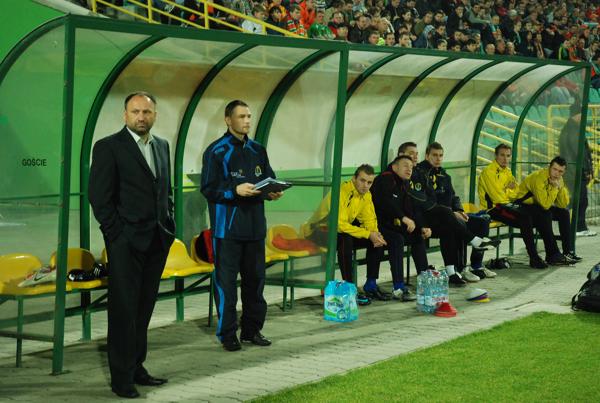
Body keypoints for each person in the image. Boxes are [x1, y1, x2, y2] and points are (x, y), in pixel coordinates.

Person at [89, 92, 175, 399]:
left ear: (155, 115)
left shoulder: (162, 146)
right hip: (125, 243)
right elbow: (99, 198)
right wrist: (117, 235)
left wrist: (169, 223)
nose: (141, 117)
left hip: (157, 239)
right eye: (135, 111)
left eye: (147, 112)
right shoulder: (109, 147)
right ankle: (121, 378)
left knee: (144, 308)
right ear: (125, 115)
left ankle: (137, 367)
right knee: (124, 311)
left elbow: (165, 190)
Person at [201, 100, 284, 352]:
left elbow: (268, 178)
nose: (247, 121)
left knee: (255, 283)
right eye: (241, 116)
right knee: (226, 286)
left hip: (255, 229)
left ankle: (252, 330)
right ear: (228, 120)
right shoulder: (216, 151)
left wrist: (272, 191)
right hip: (227, 232)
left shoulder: (258, 149)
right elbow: (208, 189)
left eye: (249, 116)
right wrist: (234, 191)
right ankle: (227, 334)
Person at [398, 142, 499, 286]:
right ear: (427, 156)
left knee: (481, 222)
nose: (438, 158)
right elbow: (425, 201)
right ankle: (462, 263)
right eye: (434, 155)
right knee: (451, 224)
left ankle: (473, 266)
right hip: (428, 218)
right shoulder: (418, 172)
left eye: (440, 155)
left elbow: (453, 196)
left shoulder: (444, 175)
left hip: (446, 215)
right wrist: (450, 212)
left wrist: (459, 210)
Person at [302, 164, 387, 305]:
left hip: (339, 231)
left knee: (376, 242)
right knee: (345, 240)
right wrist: (367, 234)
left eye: (369, 182)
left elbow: (369, 219)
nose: (365, 185)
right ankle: (350, 289)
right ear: (354, 178)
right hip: (317, 230)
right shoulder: (341, 191)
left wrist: (375, 234)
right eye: (362, 180)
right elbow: (339, 224)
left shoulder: (366, 195)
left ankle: (371, 284)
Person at [368, 155, 430, 301]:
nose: (409, 169)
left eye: (411, 167)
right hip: (375, 225)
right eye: (405, 165)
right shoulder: (385, 179)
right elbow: (384, 202)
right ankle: (398, 287)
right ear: (395, 167)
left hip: (390, 225)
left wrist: (421, 226)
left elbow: (410, 208)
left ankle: (425, 279)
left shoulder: (404, 183)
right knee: (397, 240)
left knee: (417, 236)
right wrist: (402, 217)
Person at [478, 144, 546, 268]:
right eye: (502, 155)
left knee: (540, 211)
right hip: (494, 208)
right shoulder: (488, 172)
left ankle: (552, 253)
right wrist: (509, 190)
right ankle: (534, 257)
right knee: (525, 218)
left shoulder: (507, 171)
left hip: (508, 204)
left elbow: (517, 191)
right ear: (496, 156)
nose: (505, 159)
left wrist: (507, 190)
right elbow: (498, 198)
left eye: (508, 156)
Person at [513, 157, 581, 265]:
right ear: (549, 167)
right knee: (546, 214)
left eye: (560, 171)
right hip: (523, 205)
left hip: (538, 205)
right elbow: (545, 205)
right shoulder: (539, 178)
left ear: (564, 172)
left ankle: (567, 252)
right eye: (555, 169)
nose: (557, 173)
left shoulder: (559, 179)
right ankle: (552, 255)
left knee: (564, 213)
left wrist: (560, 188)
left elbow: (563, 204)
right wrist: (555, 188)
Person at [559, 103, 597, 237]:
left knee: (579, 200)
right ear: (577, 115)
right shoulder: (574, 130)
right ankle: (578, 228)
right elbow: (579, 153)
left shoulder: (571, 128)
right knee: (580, 200)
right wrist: (587, 170)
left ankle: (578, 227)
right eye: (582, 114)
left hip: (573, 170)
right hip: (575, 171)